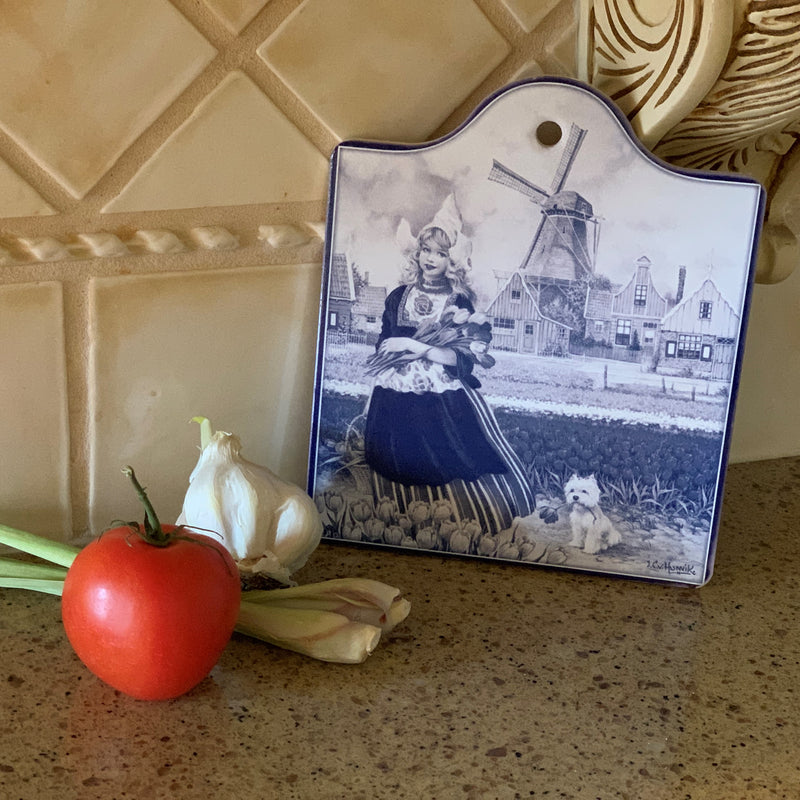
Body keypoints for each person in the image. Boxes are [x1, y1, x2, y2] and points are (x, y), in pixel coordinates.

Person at [363, 195, 534, 536]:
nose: (431, 259)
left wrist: (416, 347)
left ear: (452, 261)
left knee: (445, 462)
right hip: (396, 394)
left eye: (441, 253)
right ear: (417, 252)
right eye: (426, 250)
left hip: (439, 399)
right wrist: (395, 348)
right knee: (388, 459)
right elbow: (384, 340)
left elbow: (463, 360)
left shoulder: (458, 302)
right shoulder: (399, 296)